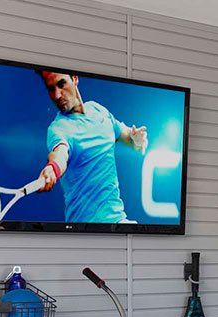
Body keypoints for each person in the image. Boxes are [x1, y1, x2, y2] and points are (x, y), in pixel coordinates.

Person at [35, 70, 147, 223]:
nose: (57, 95)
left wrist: (137, 139)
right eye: (51, 89)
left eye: (61, 84)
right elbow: (60, 154)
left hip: (117, 222)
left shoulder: (98, 110)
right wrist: (52, 168)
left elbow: (129, 137)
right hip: (84, 228)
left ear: (75, 79)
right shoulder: (58, 129)